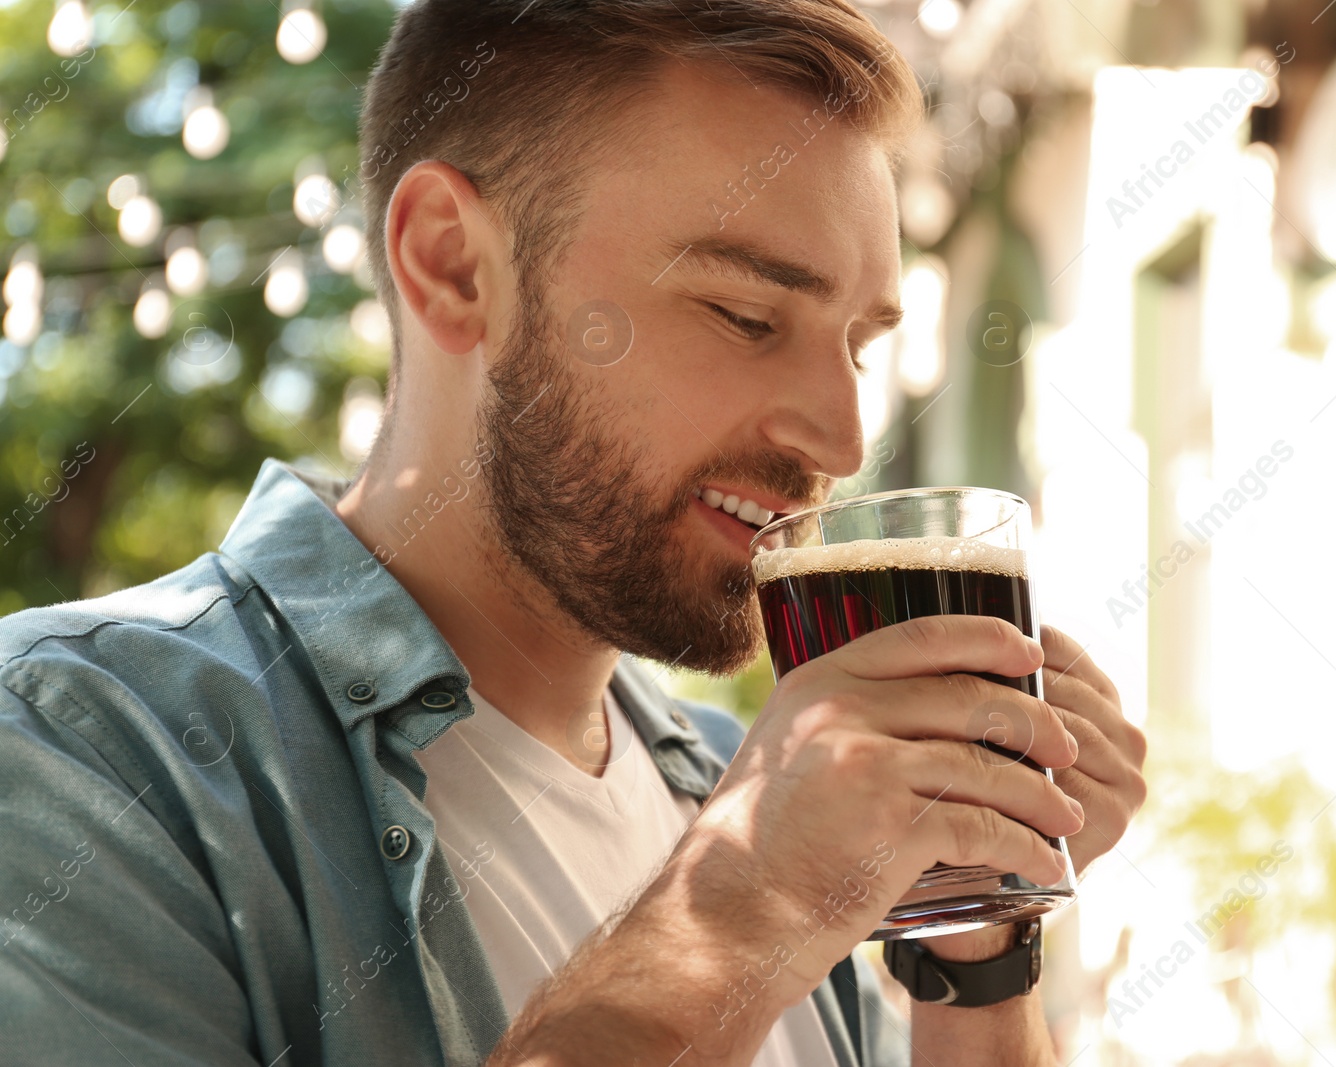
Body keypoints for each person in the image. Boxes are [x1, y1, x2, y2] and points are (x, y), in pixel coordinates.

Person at [0, 1, 1146, 1064]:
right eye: (746, 315)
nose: (843, 439)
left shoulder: (739, 790)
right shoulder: (76, 754)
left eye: (856, 341)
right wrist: (742, 904)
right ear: (452, 265)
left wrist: (974, 938)